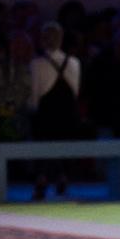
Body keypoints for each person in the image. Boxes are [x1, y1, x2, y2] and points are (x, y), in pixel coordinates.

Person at [28, 20, 84, 197]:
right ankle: (62, 175)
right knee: (63, 136)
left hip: (46, 116)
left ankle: (42, 177)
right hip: (69, 116)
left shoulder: (36, 64)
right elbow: (75, 92)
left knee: (41, 133)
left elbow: (34, 97)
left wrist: (32, 112)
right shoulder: (75, 63)